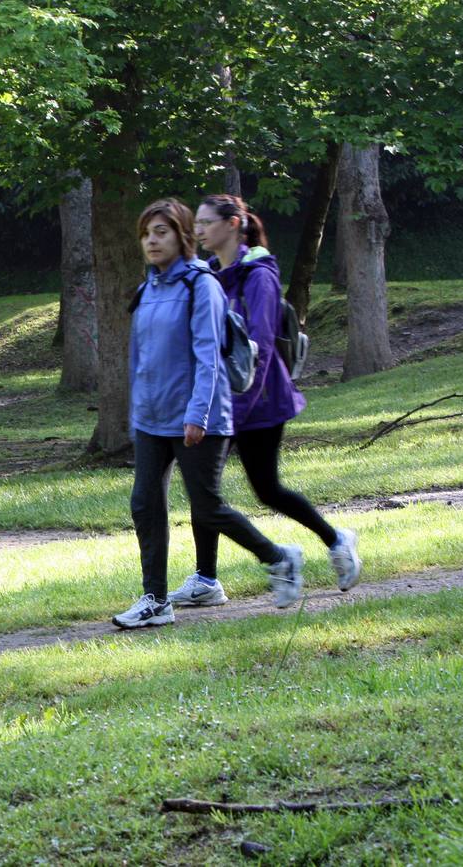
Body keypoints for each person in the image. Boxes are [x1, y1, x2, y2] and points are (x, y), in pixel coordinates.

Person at [113, 199, 305, 629]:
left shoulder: (201, 286)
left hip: (198, 418)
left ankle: (279, 558)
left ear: (181, 236)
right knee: (144, 504)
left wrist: (197, 414)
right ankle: (156, 600)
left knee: (209, 507)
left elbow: (208, 358)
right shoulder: (148, 289)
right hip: (153, 419)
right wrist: (137, 414)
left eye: (161, 232)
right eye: (146, 234)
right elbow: (139, 360)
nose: (151, 241)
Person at [166, 194, 362, 608]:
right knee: (206, 493)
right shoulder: (208, 275)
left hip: (261, 403)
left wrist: (238, 407)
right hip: (220, 402)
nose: (198, 230)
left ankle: (337, 540)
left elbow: (261, 348)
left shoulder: (260, 276)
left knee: (267, 489)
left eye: (206, 222)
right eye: (195, 223)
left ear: (234, 223)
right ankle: (206, 580)